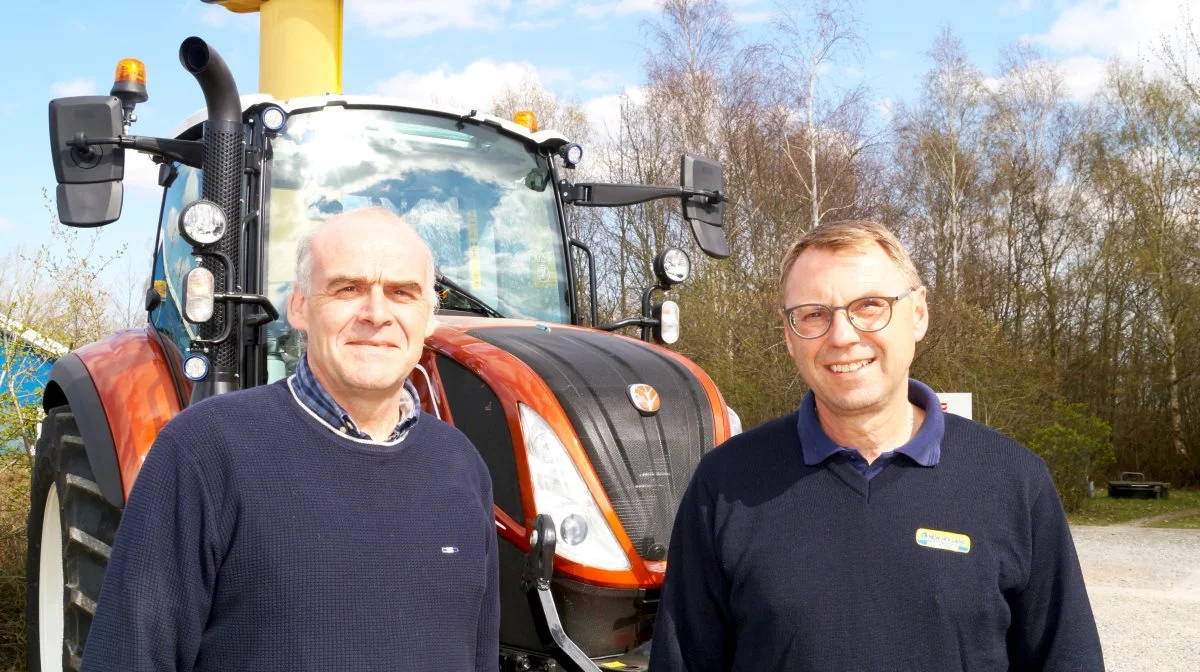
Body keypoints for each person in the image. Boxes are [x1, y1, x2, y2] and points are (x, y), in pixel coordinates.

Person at [649, 220, 1103, 671]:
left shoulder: (1013, 481)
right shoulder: (726, 484)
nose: (842, 336)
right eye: (813, 314)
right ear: (788, 335)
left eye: (869, 305)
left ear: (918, 314)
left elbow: (1067, 658)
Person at [83, 207, 499, 671]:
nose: (377, 314)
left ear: (428, 318)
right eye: (348, 288)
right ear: (300, 306)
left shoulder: (461, 465)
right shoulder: (205, 450)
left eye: (402, 293)